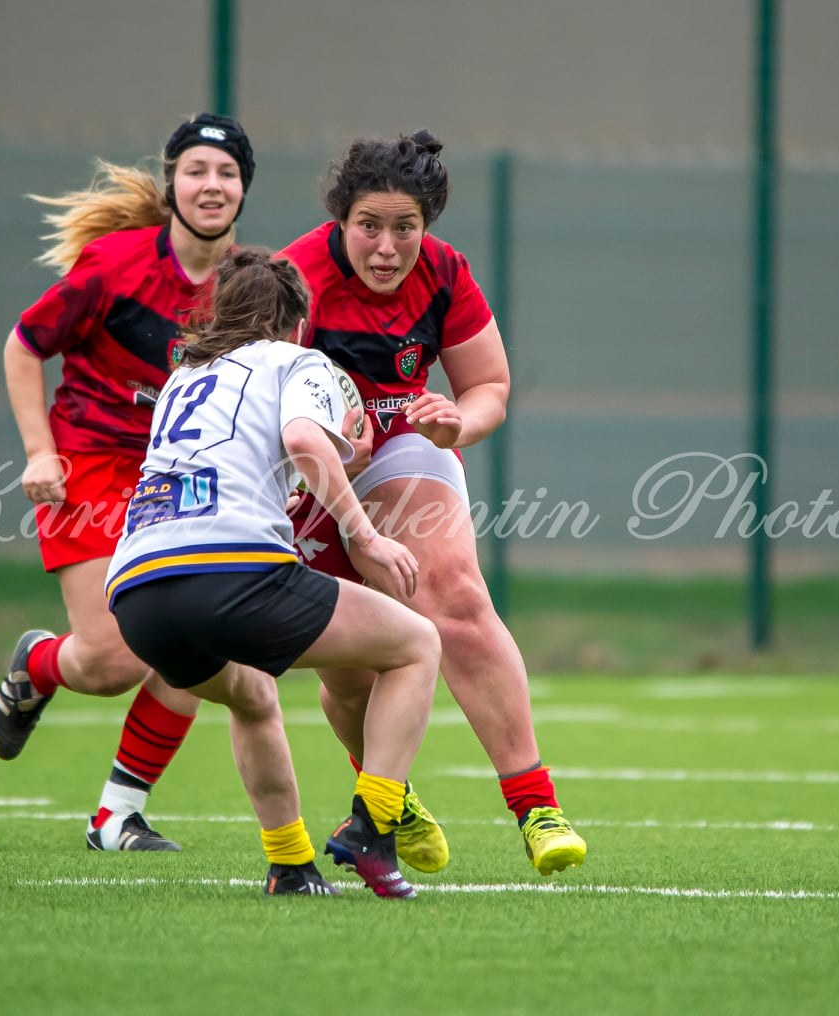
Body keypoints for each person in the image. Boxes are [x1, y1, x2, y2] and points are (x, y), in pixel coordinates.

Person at [280, 131, 587, 875]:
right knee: (350, 667)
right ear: (340, 221)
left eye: (404, 229)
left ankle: (535, 805)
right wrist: (326, 451)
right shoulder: (296, 275)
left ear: (428, 225)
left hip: (402, 444)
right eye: (369, 227)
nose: (386, 247)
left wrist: (458, 421)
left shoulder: (445, 274)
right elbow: (266, 396)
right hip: (306, 465)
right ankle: (385, 796)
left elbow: (489, 389)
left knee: (453, 593)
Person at [107, 248, 441, 897]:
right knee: (415, 645)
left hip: (136, 593)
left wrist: (284, 495)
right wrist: (363, 534)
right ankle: (371, 830)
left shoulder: (181, 379)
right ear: (295, 322)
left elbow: (224, 464)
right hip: (227, 572)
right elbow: (304, 441)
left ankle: (289, 865)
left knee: (251, 695)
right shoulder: (296, 358)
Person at [0, 114, 254, 852]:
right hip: (93, 462)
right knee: (108, 662)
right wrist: (39, 452)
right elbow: (23, 346)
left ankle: (115, 816)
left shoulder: (251, 286)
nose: (211, 185)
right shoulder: (113, 265)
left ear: (244, 190)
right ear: (172, 182)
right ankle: (39, 664)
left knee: (199, 638)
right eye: (196, 170)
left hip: (183, 478)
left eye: (226, 173)